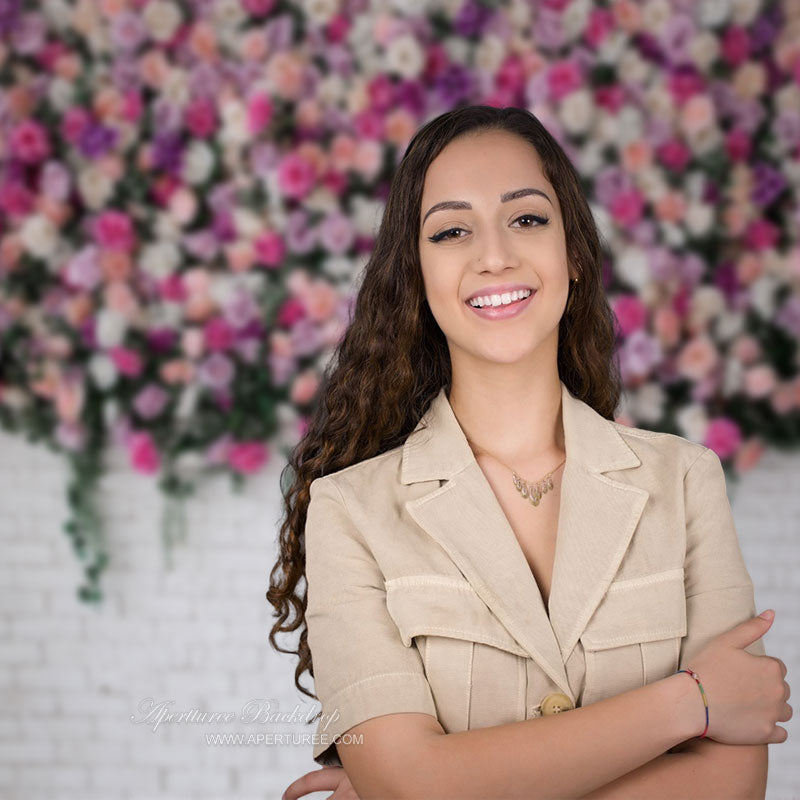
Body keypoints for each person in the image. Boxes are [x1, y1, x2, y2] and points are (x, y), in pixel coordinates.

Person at [268, 105, 791, 800]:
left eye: (527, 218)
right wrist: (690, 703)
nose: (495, 256)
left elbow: (731, 786)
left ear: (572, 251)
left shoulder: (686, 482)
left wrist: (439, 785)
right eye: (452, 231)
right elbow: (410, 783)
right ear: (416, 276)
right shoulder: (349, 512)